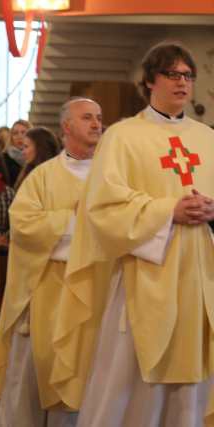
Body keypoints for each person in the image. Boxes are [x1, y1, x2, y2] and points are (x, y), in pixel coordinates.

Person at [64, 42, 214, 427]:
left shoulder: (207, 138)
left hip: (198, 276)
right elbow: (104, 208)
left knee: (192, 387)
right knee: (126, 384)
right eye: (172, 74)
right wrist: (170, 211)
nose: (182, 82)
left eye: (188, 75)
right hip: (145, 272)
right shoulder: (124, 136)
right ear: (149, 80)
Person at [0, 98, 103, 427]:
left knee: (91, 380)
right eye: (87, 118)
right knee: (31, 382)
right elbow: (22, 226)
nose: (96, 124)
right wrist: (76, 221)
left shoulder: (112, 176)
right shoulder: (43, 178)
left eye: (98, 118)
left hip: (98, 292)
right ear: (66, 126)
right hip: (45, 294)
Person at [3, 120, 31, 187]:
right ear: (11, 137)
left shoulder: (34, 158)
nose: (19, 136)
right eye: (15, 133)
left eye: (23, 132)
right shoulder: (4, 158)